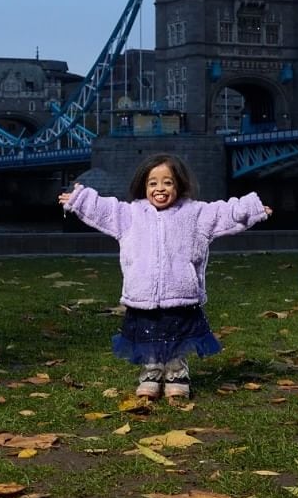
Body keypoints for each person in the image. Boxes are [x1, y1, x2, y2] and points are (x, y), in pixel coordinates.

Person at [59, 154, 270, 402]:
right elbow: (105, 209)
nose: (160, 188)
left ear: (178, 185)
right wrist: (80, 199)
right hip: (143, 294)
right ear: (144, 187)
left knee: (177, 339)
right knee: (148, 338)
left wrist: (252, 208)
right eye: (153, 183)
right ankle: (151, 372)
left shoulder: (195, 213)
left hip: (180, 293)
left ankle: (176, 374)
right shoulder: (130, 215)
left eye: (167, 182)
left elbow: (224, 212)